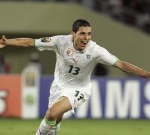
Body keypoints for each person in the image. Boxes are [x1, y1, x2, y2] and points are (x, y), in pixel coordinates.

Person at [0, 19, 150, 135]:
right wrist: (7, 42)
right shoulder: (60, 41)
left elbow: (122, 65)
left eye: (89, 34)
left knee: (51, 113)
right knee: (54, 121)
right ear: (73, 34)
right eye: (82, 33)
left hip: (79, 89)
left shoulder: (96, 50)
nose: (86, 38)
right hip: (58, 86)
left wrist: (147, 74)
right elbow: (30, 42)